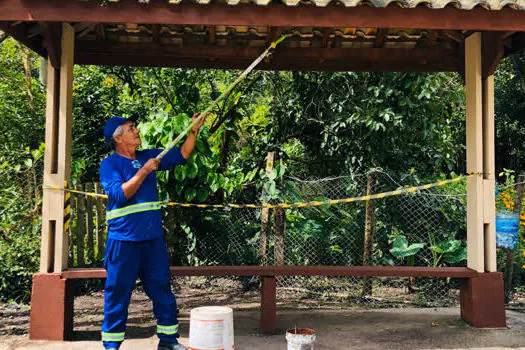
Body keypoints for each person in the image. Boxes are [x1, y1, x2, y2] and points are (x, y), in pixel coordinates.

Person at [99, 112, 207, 350]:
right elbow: (119, 195)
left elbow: (183, 154)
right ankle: (111, 346)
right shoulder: (110, 165)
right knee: (117, 295)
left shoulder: (148, 156)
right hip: (123, 242)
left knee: (162, 291)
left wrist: (193, 131)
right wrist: (144, 171)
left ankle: (168, 341)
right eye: (131, 128)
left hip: (152, 241)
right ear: (118, 138)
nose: (137, 130)